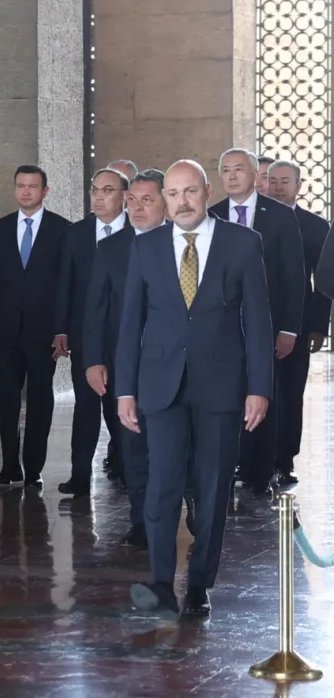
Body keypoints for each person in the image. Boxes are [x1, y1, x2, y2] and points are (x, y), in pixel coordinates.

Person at [117, 159, 272, 619]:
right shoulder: (144, 248)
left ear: (206, 191)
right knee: (161, 488)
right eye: (172, 194)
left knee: (210, 491)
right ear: (163, 199)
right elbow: (130, 325)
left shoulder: (243, 243)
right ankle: (162, 583)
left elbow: (258, 323)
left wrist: (258, 387)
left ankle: (199, 584)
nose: (181, 202)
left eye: (189, 192)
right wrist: (125, 389)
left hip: (223, 390)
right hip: (160, 389)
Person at [210, 148, 305, 499]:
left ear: (255, 175)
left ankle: (261, 471)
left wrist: (290, 329)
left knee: (264, 394)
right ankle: (232, 462)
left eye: (239, 169)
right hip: (223, 328)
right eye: (226, 170)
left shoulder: (279, 216)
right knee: (227, 398)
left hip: (268, 324)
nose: (232, 176)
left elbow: (294, 277)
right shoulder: (213, 215)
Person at [83, 168, 167, 547]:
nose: (136, 207)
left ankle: (187, 505)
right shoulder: (110, 248)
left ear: (166, 201)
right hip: (125, 365)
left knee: (178, 442)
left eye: (146, 200)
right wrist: (94, 360)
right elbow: (96, 309)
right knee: (132, 445)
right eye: (131, 200)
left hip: (175, 362)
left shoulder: (182, 242)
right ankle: (142, 520)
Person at [0, 165, 70, 487]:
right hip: (5, 330)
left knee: (41, 399)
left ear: (45, 191)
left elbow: (65, 285)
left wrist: (62, 329)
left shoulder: (62, 230)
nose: (26, 191)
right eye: (21, 186)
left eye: (32, 186)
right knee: (6, 399)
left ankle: (33, 469)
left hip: (44, 333)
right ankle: (10, 466)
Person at [53, 168, 129, 496]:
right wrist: (61, 330)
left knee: (120, 406)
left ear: (124, 196)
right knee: (86, 405)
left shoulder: (138, 232)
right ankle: (80, 475)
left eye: (107, 190)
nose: (98, 197)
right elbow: (64, 285)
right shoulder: (77, 233)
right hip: (86, 334)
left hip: (126, 335)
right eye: (95, 190)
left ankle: (126, 468)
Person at [265, 159, 331, 486]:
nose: (277, 187)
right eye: (272, 181)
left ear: (298, 186)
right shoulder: (253, 221)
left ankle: (284, 460)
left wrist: (319, 326)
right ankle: (252, 460)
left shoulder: (316, 227)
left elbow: (324, 282)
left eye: (284, 182)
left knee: (290, 394)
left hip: (299, 326)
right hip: (256, 323)